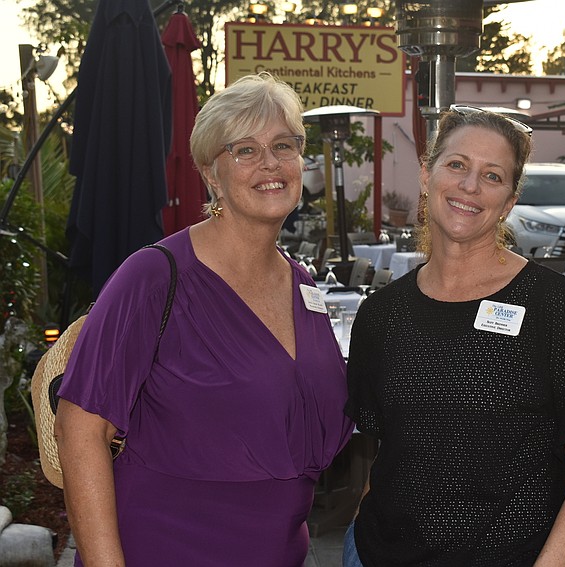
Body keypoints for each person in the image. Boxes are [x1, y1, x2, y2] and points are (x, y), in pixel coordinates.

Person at [54, 73, 353, 566]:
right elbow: (80, 430)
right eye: (245, 151)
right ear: (212, 174)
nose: (270, 164)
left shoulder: (303, 285)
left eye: (284, 145)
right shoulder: (154, 275)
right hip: (165, 546)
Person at [344, 105, 565, 567]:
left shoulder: (551, 307)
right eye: (457, 165)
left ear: (510, 199)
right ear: (427, 175)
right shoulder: (381, 314)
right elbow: (385, 453)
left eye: (493, 176)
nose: (469, 186)